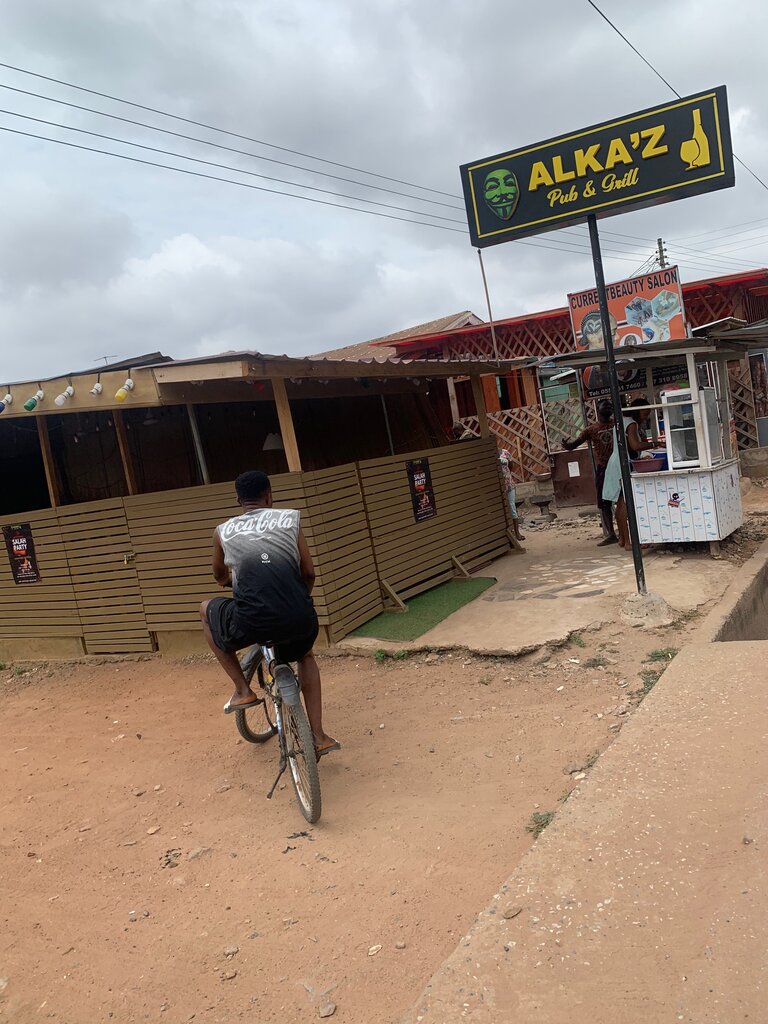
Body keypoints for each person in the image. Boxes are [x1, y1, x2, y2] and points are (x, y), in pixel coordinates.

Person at [200, 470, 339, 759]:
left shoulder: (223, 531)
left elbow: (219, 575)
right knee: (306, 656)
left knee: (205, 609)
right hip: (299, 617)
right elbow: (309, 573)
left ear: (239, 500)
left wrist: (233, 580)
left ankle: (242, 690)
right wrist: (297, 600)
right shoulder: (290, 519)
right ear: (269, 496)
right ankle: (319, 736)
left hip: (251, 621)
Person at [602, 398, 656, 551]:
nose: (646, 417)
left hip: (615, 462)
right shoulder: (632, 424)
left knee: (620, 503)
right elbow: (635, 445)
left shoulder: (620, 421)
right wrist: (655, 444)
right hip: (622, 464)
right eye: (645, 413)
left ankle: (622, 539)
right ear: (638, 411)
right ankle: (628, 543)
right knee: (624, 504)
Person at [562, 399, 617, 546]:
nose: (609, 407)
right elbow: (573, 445)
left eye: (610, 405)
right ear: (598, 409)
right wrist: (567, 445)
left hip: (618, 465)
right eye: (605, 405)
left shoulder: (617, 424)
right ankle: (611, 534)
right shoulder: (591, 429)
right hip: (604, 467)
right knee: (604, 502)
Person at [498, 449, 525, 541]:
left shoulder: (505, 452)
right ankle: (509, 533)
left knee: (512, 507)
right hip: (500, 486)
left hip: (509, 484)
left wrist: (507, 475)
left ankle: (517, 533)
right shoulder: (490, 454)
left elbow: (511, 466)